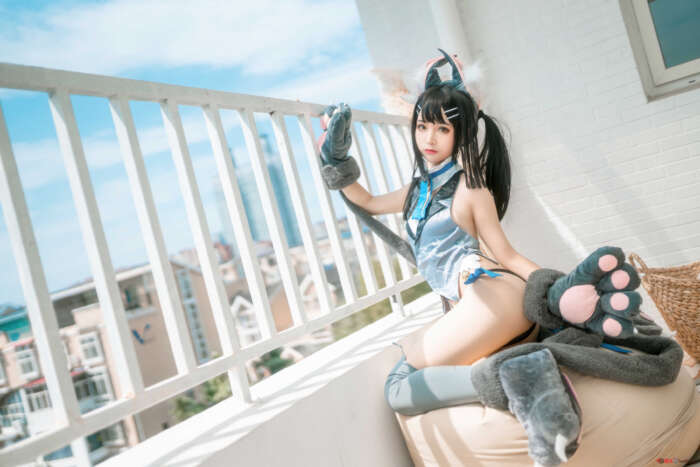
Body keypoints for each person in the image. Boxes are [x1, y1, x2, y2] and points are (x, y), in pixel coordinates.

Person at [315, 49, 664, 466]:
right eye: (422, 126)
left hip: (490, 298)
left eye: (442, 129)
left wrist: (561, 285)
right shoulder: (418, 190)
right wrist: (337, 159)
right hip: (489, 304)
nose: (429, 138)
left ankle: (520, 377)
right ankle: (523, 367)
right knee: (415, 378)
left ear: (461, 135)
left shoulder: (471, 188)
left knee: (398, 387)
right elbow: (369, 202)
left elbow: (507, 255)